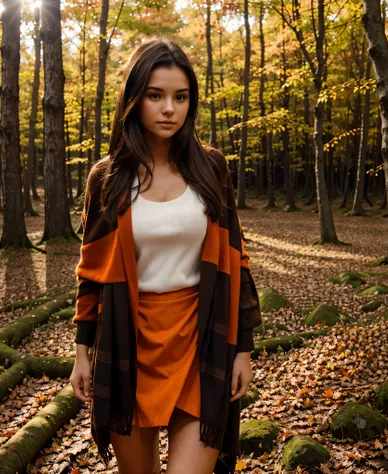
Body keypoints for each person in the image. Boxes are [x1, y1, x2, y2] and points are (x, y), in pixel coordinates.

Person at [69, 35, 262, 474]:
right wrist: (82, 352)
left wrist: (243, 350)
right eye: (156, 96)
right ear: (135, 99)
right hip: (128, 343)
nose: (169, 108)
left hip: (201, 341)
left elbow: (238, 260)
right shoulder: (109, 178)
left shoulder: (211, 168)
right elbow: (92, 272)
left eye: (180, 97)